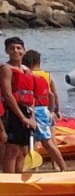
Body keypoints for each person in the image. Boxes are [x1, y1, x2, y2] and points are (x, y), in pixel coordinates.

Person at [21, 50, 66, 172]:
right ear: (38, 62)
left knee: (38, 142)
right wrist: (55, 110)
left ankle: (37, 168)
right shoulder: (46, 75)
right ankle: (55, 166)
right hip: (46, 110)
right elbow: (53, 95)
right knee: (51, 139)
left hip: (37, 111)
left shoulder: (27, 76)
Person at [2, 36, 40, 174]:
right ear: (6, 51)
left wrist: (33, 117)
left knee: (24, 150)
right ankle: (9, 180)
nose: (15, 51)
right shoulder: (6, 68)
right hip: (12, 112)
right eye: (11, 48)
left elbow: (32, 96)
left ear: (24, 51)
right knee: (12, 149)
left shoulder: (26, 70)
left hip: (27, 111)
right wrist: (22, 117)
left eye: (18, 48)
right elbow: (8, 95)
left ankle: (19, 178)